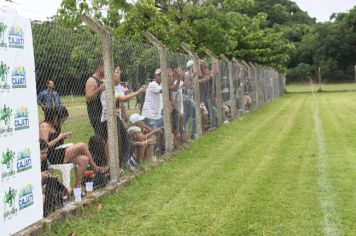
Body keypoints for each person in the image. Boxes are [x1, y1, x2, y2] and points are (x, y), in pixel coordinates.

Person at [39, 106, 108, 189]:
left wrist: (62, 137)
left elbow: (56, 143)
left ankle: (77, 187)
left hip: (59, 152)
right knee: (82, 145)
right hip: (51, 155)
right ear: (56, 117)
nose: (62, 122)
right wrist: (59, 138)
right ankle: (95, 168)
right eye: (62, 120)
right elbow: (45, 146)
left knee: (84, 160)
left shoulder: (55, 126)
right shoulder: (44, 126)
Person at [39, 139, 69, 217]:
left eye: (46, 153)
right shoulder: (31, 164)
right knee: (46, 191)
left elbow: (47, 176)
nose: (45, 155)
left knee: (68, 189)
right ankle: (48, 209)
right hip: (37, 189)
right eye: (42, 153)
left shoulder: (44, 161)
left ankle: (55, 203)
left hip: (44, 186)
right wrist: (39, 176)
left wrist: (52, 178)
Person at [85, 59, 106, 138]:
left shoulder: (103, 80)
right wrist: (99, 89)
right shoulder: (91, 80)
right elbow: (88, 98)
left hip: (104, 113)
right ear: (100, 67)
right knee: (101, 138)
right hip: (96, 115)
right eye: (105, 68)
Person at [183, 60, 197, 138]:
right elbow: (186, 86)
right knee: (191, 115)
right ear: (191, 67)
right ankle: (193, 133)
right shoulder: (187, 74)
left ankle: (191, 133)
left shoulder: (191, 74)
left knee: (187, 116)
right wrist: (192, 77)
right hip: (187, 99)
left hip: (191, 98)